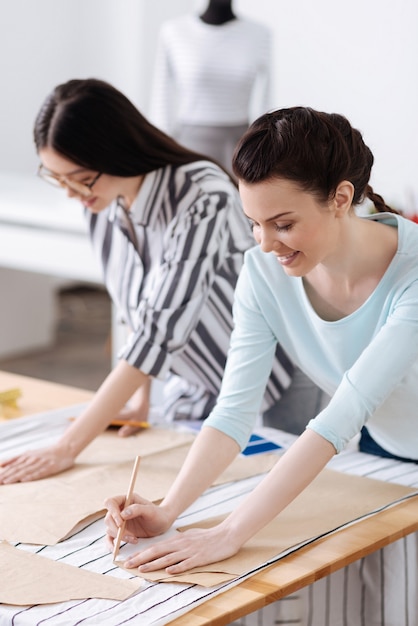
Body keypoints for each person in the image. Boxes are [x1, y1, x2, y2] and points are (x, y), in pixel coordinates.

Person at [104, 106, 418, 625]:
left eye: (283, 223)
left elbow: (342, 415)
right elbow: (233, 411)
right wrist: (169, 509)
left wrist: (230, 533)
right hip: (387, 454)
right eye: (253, 223)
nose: (265, 243)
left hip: (372, 436)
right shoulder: (263, 273)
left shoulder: (411, 276)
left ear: (341, 198)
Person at [0, 80, 321, 485]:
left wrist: (67, 447)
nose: (72, 193)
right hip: (200, 384)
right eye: (58, 178)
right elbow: (137, 306)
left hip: (279, 373)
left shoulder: (200, 195)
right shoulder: (101, 198)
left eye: (80, 178)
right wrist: (140, 399)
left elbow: (159, 330)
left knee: (298, 497)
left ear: (115, 151)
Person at [149, 0, 272, 171]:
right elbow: (161, 95)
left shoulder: (259, 34)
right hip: (189, 145)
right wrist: (160, 148)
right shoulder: (173, 31)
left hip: (241, 146)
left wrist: (264, 143)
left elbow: (265, 98)